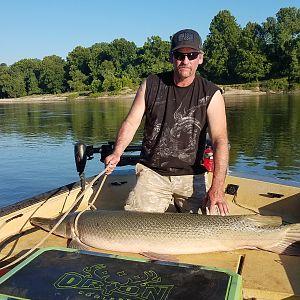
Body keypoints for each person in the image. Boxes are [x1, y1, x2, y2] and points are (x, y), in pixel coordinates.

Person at [105, 29, 229, 216]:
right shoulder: (151, 85)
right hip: (153, 174)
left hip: (192, 175)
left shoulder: (211, 93)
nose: (185, 61)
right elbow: (131, 123)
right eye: (180, 55)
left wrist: (217, 188)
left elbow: (220, 140)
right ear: (172, 57)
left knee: (215, 222)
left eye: (191, 55)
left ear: (200, 58)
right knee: (135, 223)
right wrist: (117, 152)